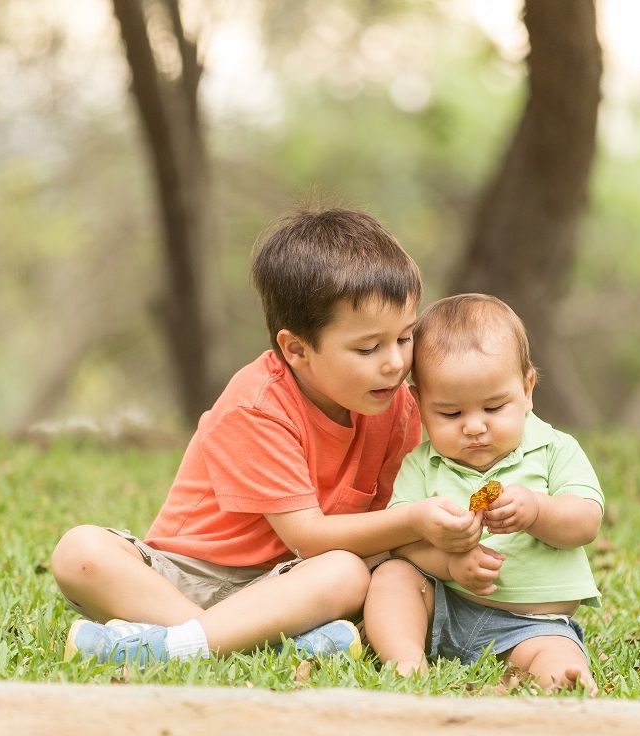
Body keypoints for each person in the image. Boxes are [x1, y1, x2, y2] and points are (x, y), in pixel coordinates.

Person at [52, 208, 484, 665]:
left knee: (348, 573)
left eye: (404, 338)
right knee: (80, 552)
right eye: (367, 348)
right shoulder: (257, 404)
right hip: (189, 577)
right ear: (296, 349)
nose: (395, 363)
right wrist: (416, 521)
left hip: (295, 585)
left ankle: (179, 646)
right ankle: (223, 644)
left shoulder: (396, 406)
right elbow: (308, 534)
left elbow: (376, 535)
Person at [363, 293, 604, 695]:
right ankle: (406, 662)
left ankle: (561, 678)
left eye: (493, 408)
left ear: (527, 390)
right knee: (393, 578)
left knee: (554, 650)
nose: (474, 426)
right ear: (419, 403)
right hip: (443, 605)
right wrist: (449, 565)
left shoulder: (553, 449)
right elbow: (402, 544)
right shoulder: (423, 465)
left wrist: (539, 512)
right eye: (451, 414)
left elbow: (586, 522)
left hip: (532, 624)